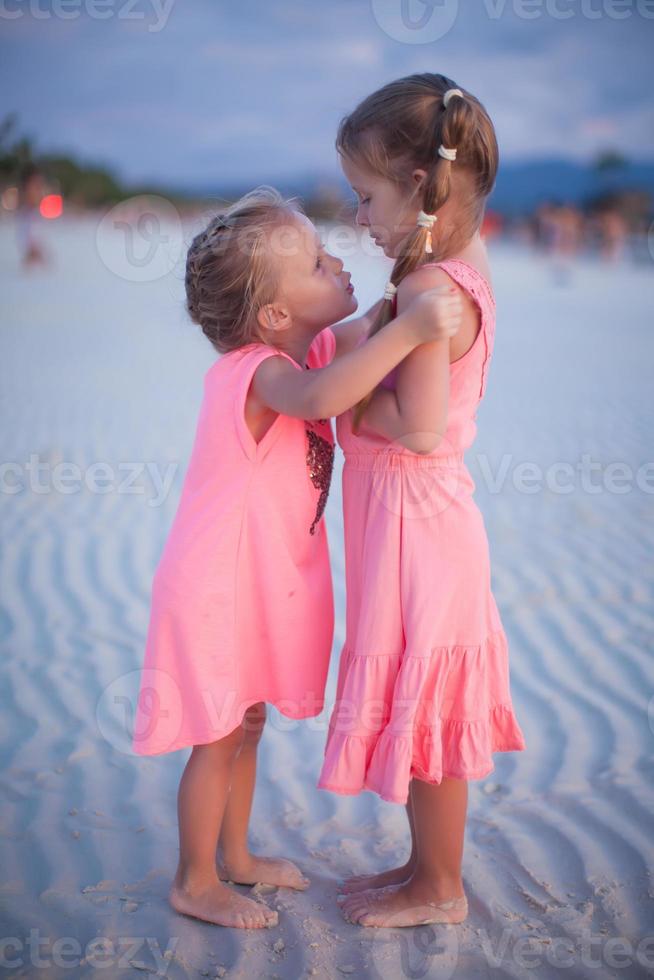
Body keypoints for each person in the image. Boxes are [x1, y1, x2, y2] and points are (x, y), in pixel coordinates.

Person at [131, 186, 462, 930]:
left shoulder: (303, 348)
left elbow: (360, 338)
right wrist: (409, 329)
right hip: (216, 587)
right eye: (316, 262)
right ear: (275, 316)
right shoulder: (260, 372)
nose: (335, 259)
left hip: (255, 584)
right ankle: (194, 878)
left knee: (247, 725)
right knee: (216, 736)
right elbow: (322, 396)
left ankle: (237, 859)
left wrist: (414, 291)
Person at [315, 74, 527, 928]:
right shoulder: (453, 266)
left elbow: (424, 425)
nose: (359, 218)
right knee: (421, 697)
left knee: (429, 707)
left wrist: (353, 392)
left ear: (416, 186)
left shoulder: (430, 293)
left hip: (418, 523)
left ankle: (440, 886)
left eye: (365, 197)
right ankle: (421, 866)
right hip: (417, 520)